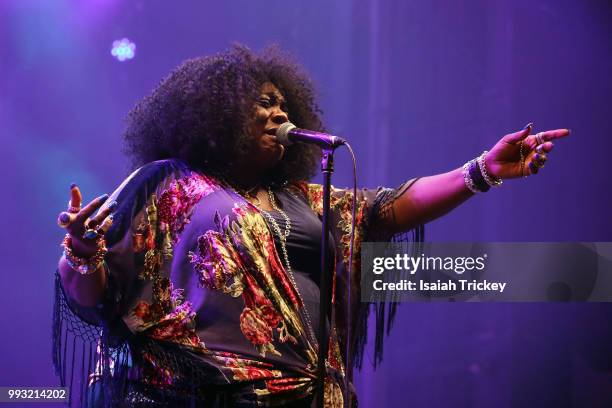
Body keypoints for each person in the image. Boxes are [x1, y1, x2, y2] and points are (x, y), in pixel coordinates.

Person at [53, 45, 569, 407]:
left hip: (306, 393)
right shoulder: (168, 184)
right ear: (218, 115)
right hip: (195, 391)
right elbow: (94, 293)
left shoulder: (302, 198)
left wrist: (482, 171)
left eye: (283, 103)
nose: (279, 112)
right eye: (263, 102)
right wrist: (81, 251)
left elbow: (385, 208)